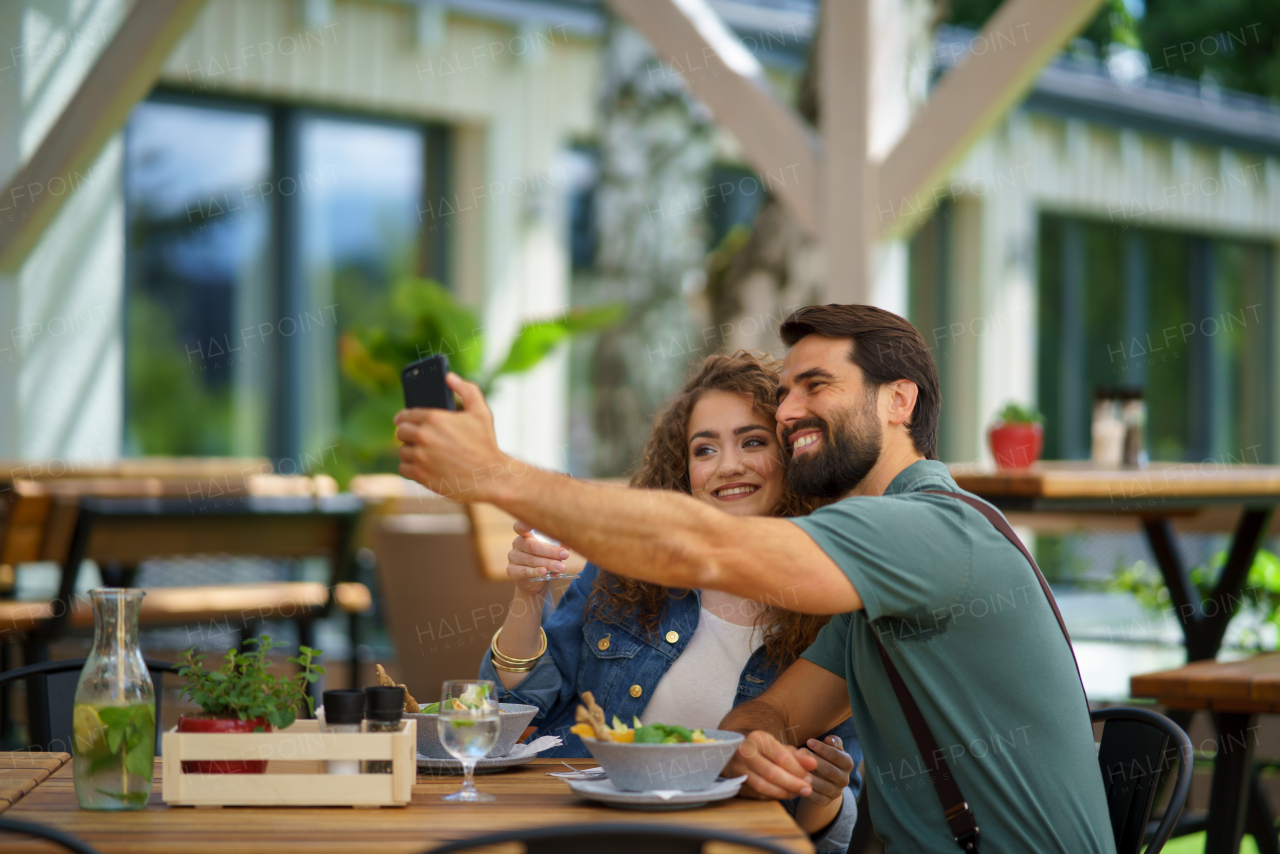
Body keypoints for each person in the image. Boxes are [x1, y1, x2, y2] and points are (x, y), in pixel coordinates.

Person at [395, 304, 1115, 853]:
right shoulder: (878, 583)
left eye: (816, 385)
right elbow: (773, 714)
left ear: (900, 401)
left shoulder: (928, 529)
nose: (792, 407)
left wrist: (496, 474)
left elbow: (702, 548)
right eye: (788, 389)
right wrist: (756, 739)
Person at [482, 352, 861, 849]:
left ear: (793, 454)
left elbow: (827, 834)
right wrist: (528, 596)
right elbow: (515, 715)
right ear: (682, 471)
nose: (728, 466)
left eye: (752, 442)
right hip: (588, 834)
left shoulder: (836, 603)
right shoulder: (628, 567)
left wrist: (823, 794)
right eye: (705, 450)